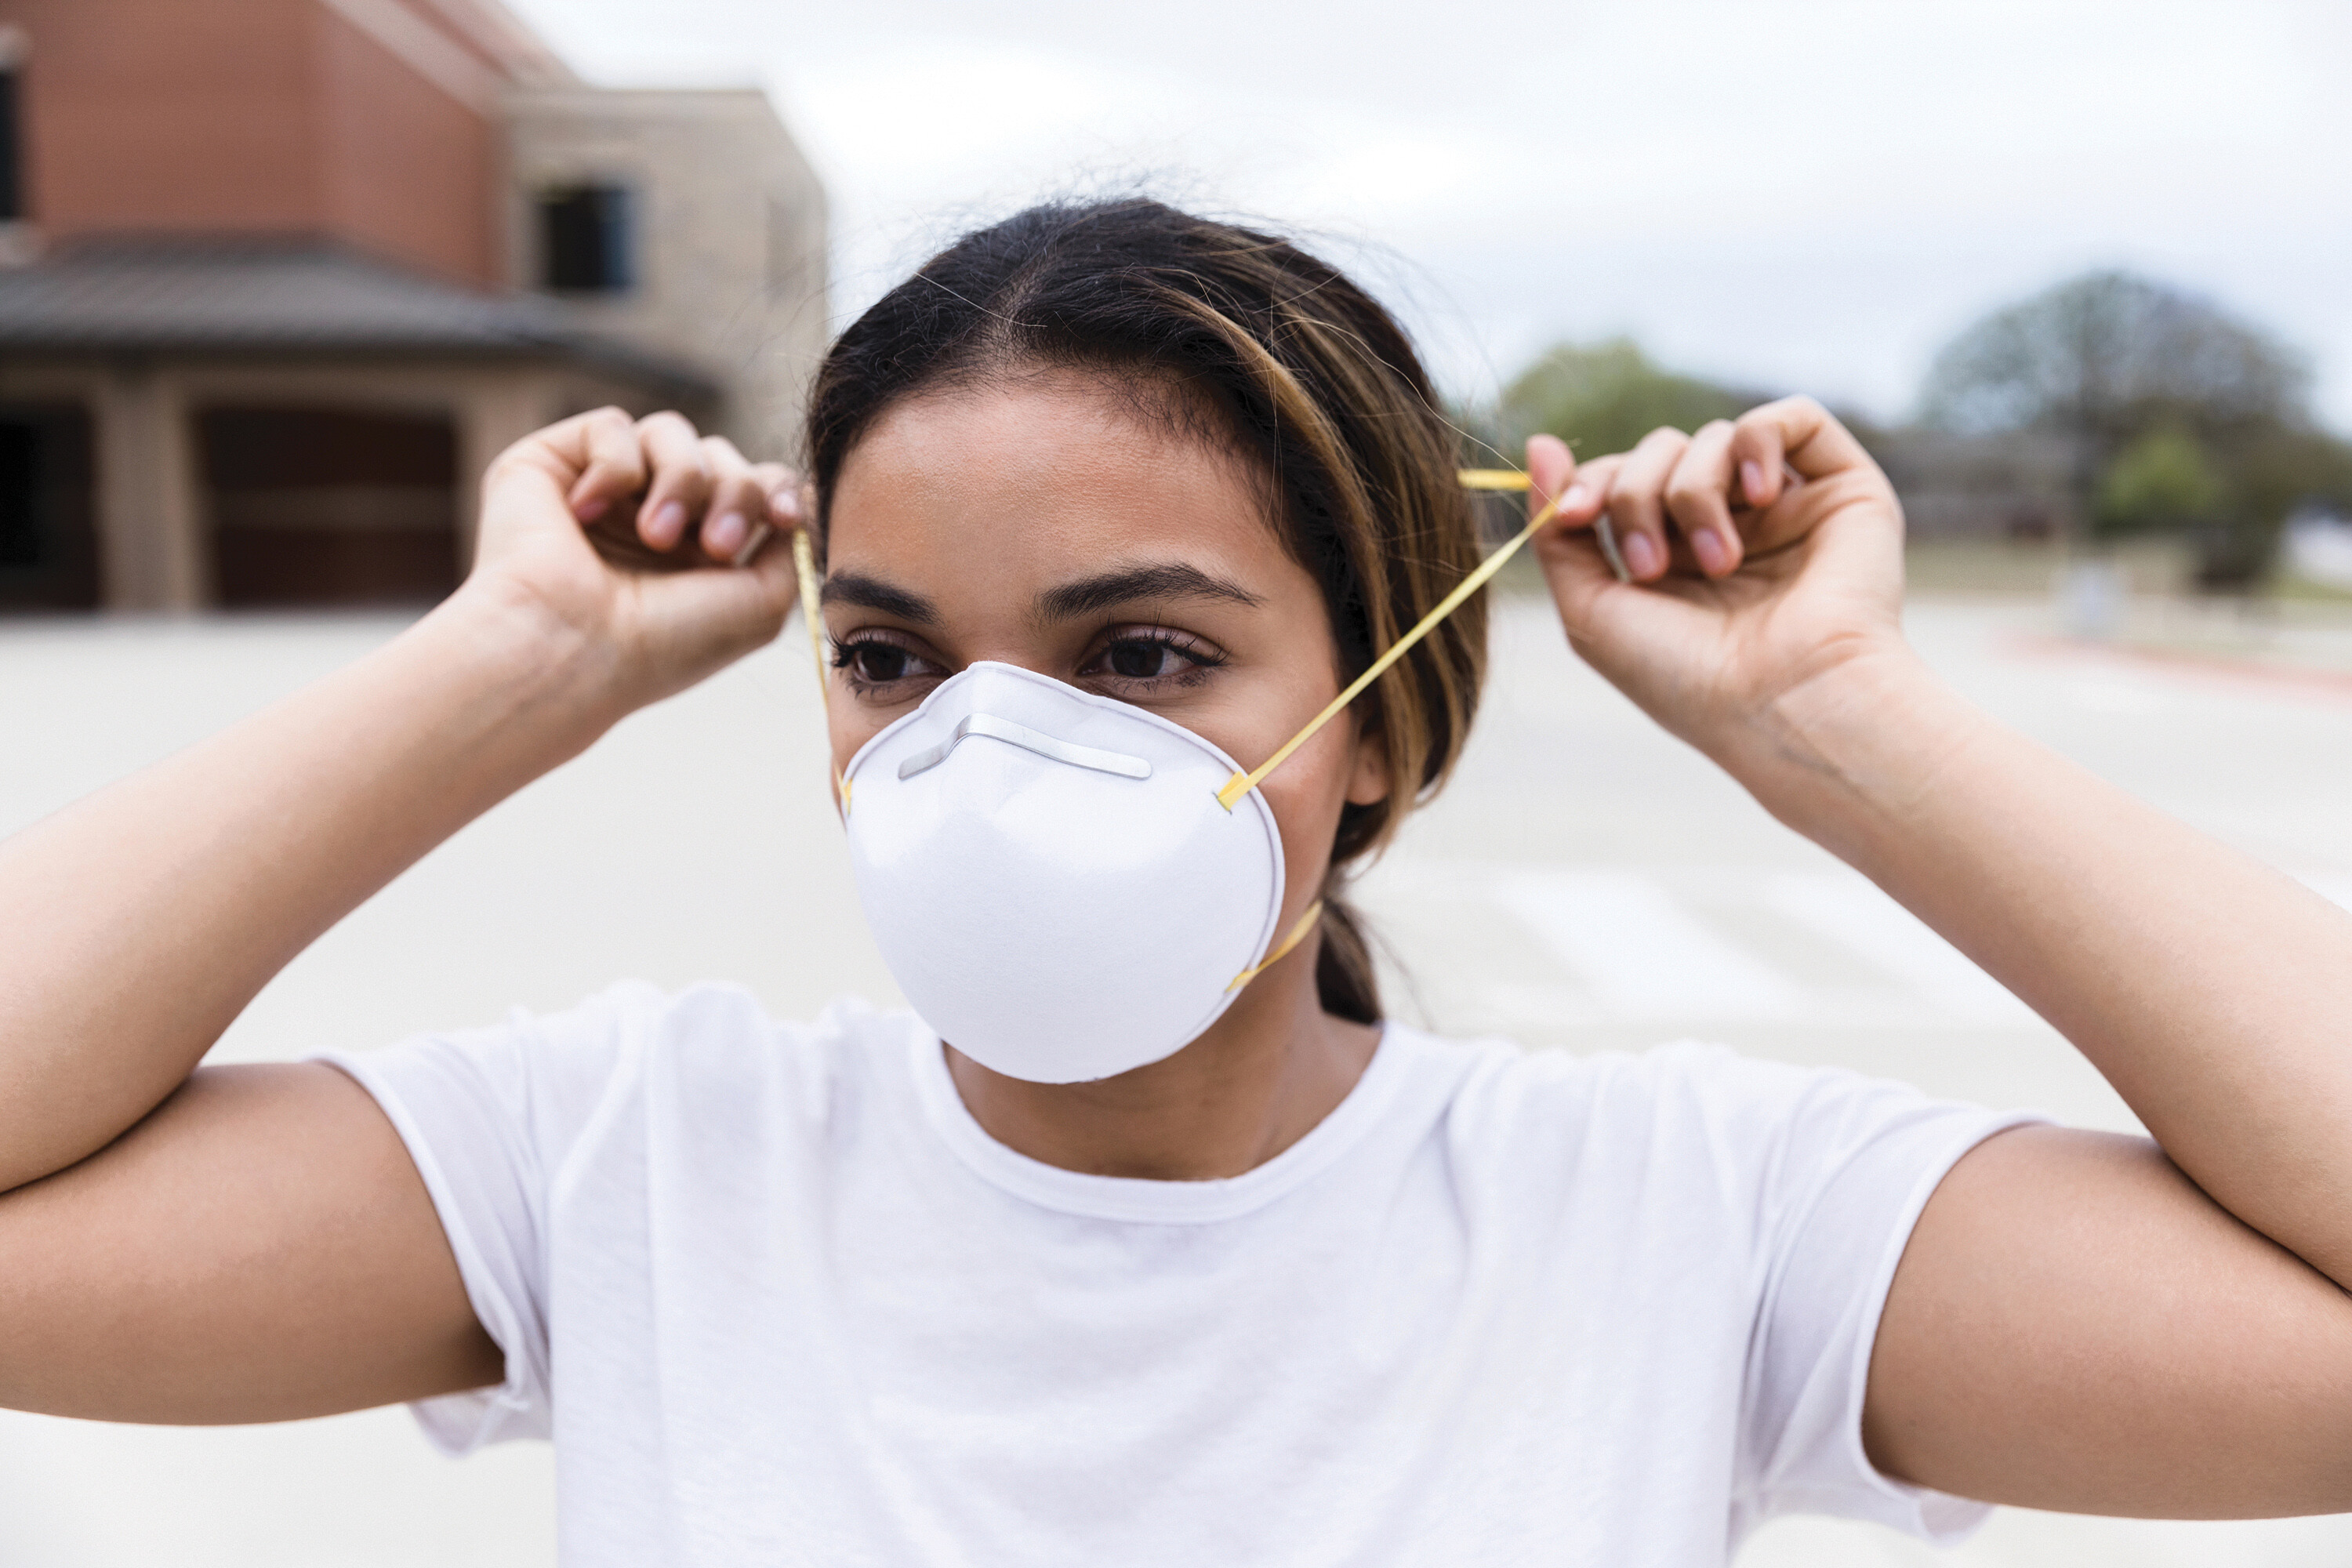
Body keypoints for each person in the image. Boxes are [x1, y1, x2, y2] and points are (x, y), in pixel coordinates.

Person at [3, 198, 2350, 1566]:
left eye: (1144, 653)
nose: (986, 748)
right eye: (890, 655)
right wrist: (507, 665)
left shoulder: (1694, 1215)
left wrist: (1839, 725)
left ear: (1385, 718)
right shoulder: (622, 1161)